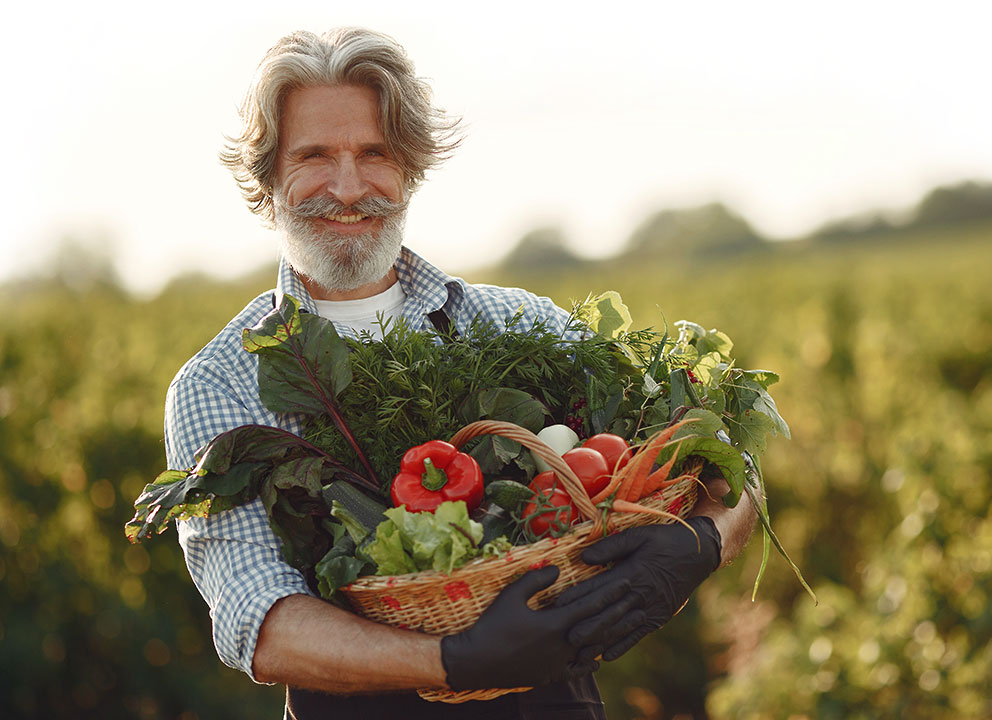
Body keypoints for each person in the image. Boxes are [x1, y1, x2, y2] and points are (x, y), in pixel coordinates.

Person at [166, 27, 757, 719]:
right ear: (269, 179)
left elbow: (730, 471)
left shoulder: (515, 324)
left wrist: (703, 544)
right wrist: (454, 662)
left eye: (375, 153)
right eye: (315, 155)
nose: (349, 186)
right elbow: (257, 619)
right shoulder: (221, 381)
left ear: (411, 167)